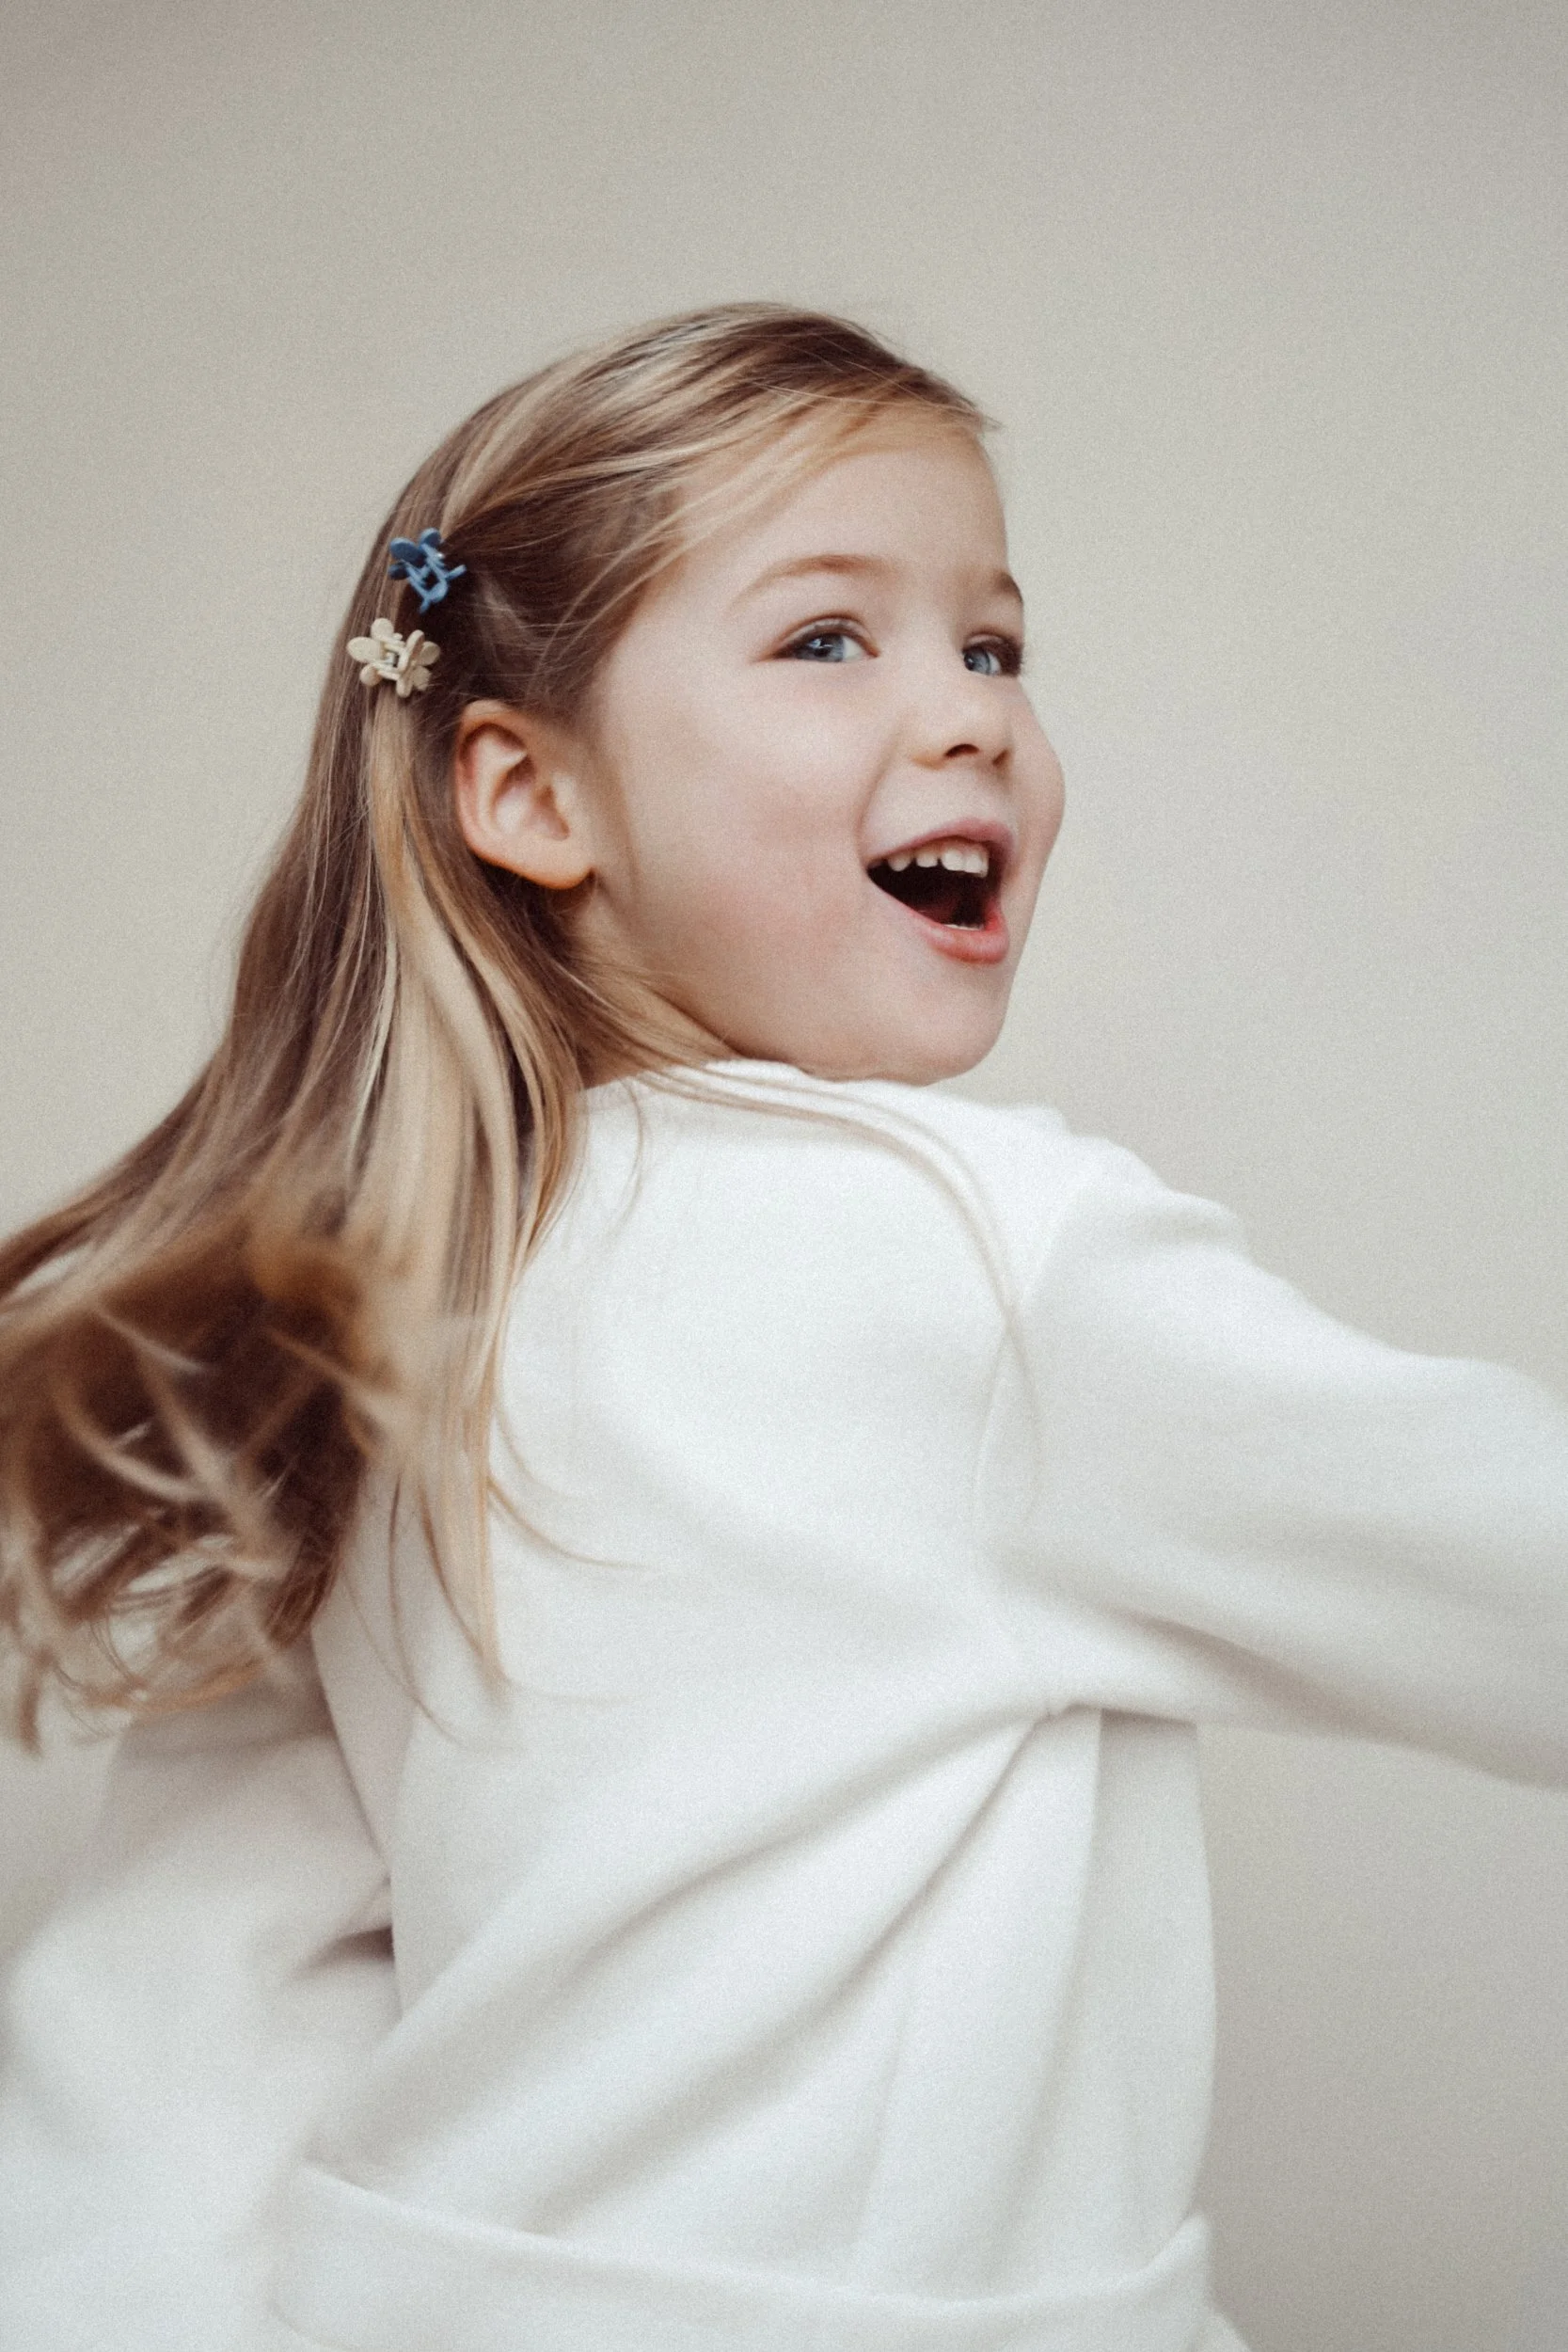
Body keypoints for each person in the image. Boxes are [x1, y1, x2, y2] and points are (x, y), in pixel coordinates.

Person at [0, 303, 1563, 2352]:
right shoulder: (982, 1269)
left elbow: (155, 2079)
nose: (971, 713)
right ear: (528, 793)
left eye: (990, 643)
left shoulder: (384, 1300)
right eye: (828, 639)